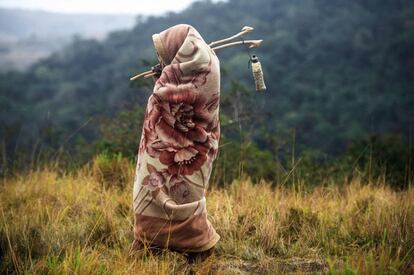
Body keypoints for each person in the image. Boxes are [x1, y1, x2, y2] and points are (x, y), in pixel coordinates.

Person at [132, 24, 221, 263]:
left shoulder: (201, 70)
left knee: (182, 193)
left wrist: (163, 77)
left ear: (182, 49)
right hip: (182, 152)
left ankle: (194, 245)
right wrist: (164, 73)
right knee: (161, 188)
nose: (161, 59)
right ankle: (156, 241)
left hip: (192, 150)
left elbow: (162, 100)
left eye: (164, 54)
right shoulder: (203, 64)